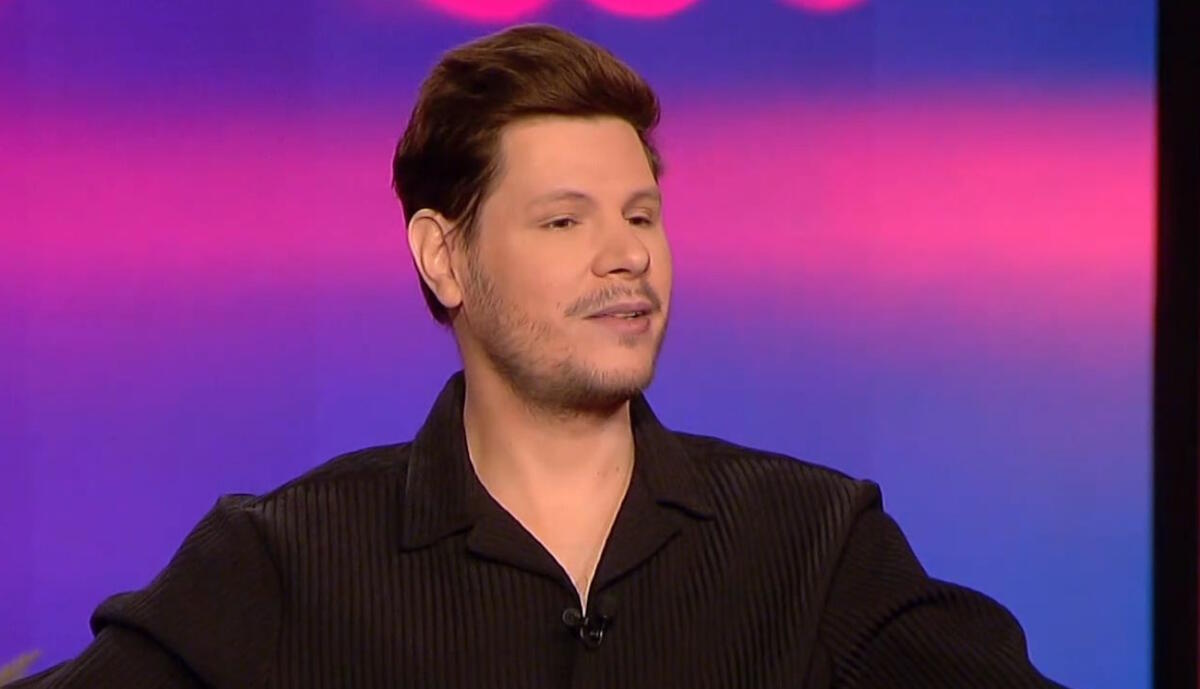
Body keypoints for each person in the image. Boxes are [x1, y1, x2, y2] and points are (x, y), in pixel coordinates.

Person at [12, 24, 1067, 689]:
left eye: (641, 215)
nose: (627, 255)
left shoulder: (814, 545)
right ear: (444, 256)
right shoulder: (282, 562)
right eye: (565, 221)